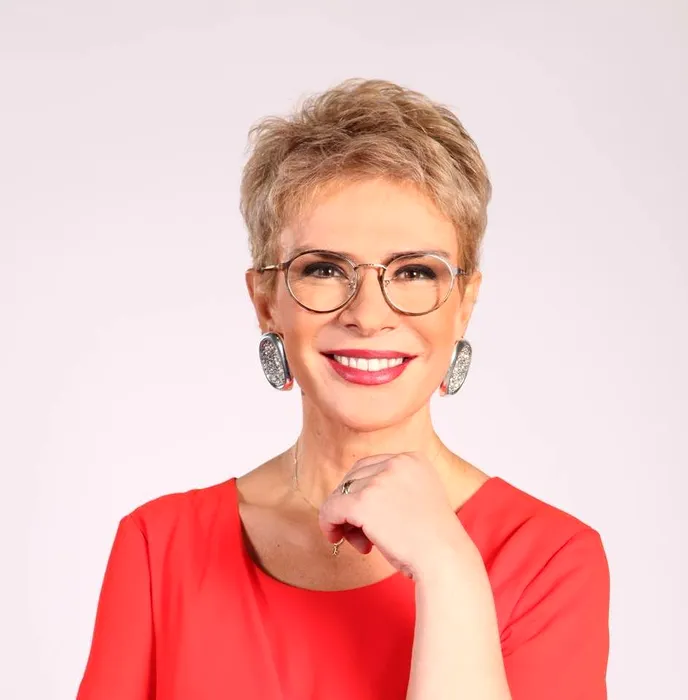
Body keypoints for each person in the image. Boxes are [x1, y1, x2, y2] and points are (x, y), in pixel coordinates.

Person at [77, 78, 610, 700]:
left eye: (415, 272)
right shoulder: (159, 547)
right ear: (265, 301)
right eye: (325, 269)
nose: (369, 315)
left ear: (464, 303)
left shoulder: (549, 558)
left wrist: (447, 568)